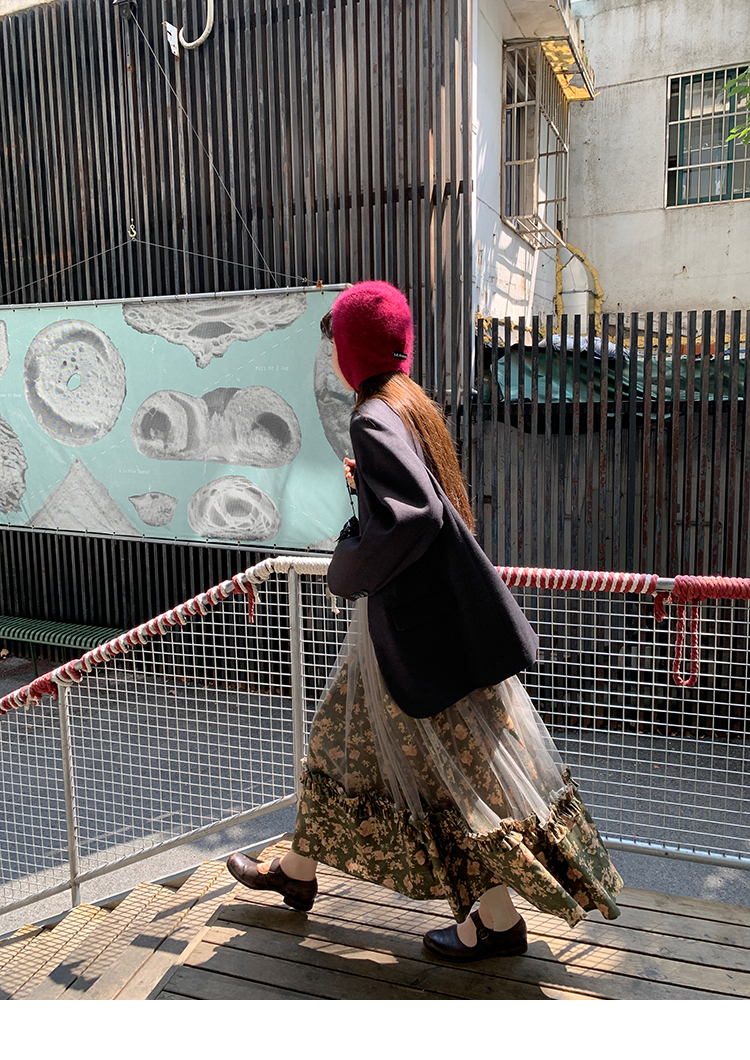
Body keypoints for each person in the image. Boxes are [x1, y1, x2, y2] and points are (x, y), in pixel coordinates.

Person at [228, 281, 622, 961]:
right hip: (422, 633)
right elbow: (422, 506)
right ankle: (296, 871)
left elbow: (415, 516)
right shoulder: (410, 407)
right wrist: (366, 488)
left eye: (334, 344)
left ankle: (496, 922)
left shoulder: (372, 416)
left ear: (351, 352)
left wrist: (346, 567)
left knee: (455, 776)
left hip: (412, 642)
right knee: (338, 743)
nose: (331, 357)